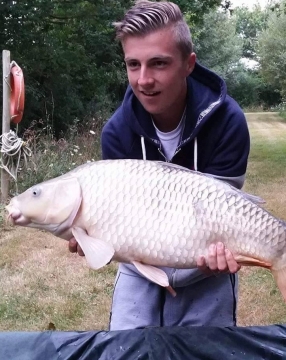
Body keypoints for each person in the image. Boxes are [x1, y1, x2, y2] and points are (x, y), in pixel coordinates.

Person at [69, 0, 250, 330]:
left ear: (188, 64)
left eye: (158, 64)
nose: (143, 80)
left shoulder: (228, 122)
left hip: (205, 271)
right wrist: (90, 235)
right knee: (127, 349)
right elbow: (117, 220)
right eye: (133, 65)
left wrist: (224, 253)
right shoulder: (117, 132)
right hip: (139, 268)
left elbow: (225, 216)